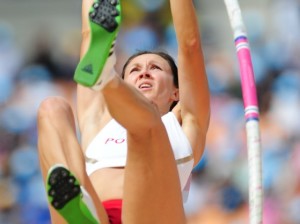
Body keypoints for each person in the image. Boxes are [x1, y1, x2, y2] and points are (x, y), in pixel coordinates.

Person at [37, 0, 210, 223]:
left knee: (146, 123)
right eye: (134, 70)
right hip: (95, 213)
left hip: (149, 216)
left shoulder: (186, 123)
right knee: (51, 109)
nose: (144, 73)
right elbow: (91, 33)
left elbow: (190, 46)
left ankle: (106, 76)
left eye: (155, 68)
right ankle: (80, 209)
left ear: (176, 92)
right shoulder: (98, 121)